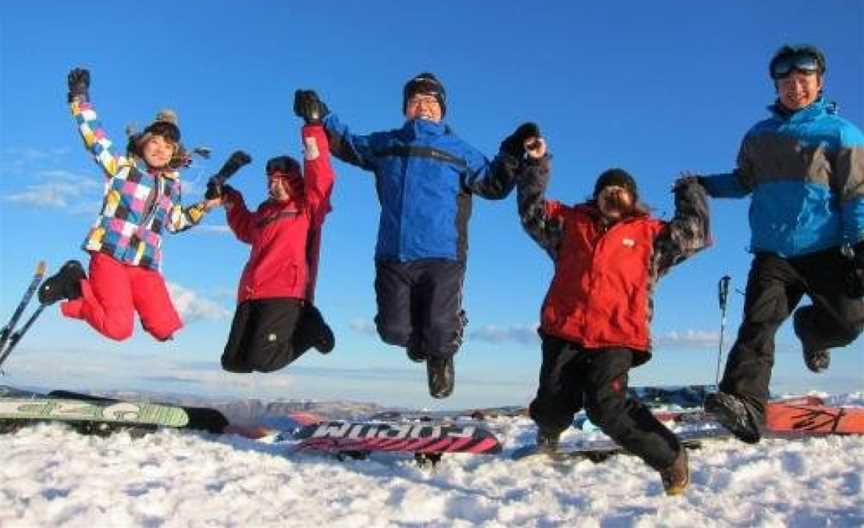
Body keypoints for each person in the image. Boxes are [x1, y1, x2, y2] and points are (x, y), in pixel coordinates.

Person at [294, 73, 535, 398]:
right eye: (416, 100)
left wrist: (513, 150)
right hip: (393, 254)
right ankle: (427, 341)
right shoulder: (388, 144)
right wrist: (320, 113)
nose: (423, 107)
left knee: (439, 331)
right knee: (393, 332)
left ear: (442, 110)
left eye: (431, 101)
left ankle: (442, 352)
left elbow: (493, 184)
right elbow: (348, 143)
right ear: (406, 108)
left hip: (443, 255)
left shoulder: (459, 150)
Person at [516, 134, 710, 495]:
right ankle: (549, 430)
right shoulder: (569, 222)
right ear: (596, 195)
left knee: (607, 407)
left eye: (622, 192)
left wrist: (689, 192)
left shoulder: (651, 235)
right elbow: (531, 212)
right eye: (607, 190)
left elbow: (695, 235)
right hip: (566, 329)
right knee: (553, 405)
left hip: (618, 335)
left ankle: (670, 457)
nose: (614, 196)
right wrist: (536, 166)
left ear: (633, 199)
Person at [697, 45, 864, 444]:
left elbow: (857, 193)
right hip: (774, 252)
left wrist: (859, 245)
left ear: (819, 82)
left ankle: (812, 332)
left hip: (827, 250)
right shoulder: (759, 135)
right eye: (786, 81)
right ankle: (745, 406)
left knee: (851, 321)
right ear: (776, 86)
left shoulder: (841, 133)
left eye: (803, 79)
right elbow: (743, 181)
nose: (795, 87)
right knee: (759, 325)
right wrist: (703, 185)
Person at [37, 68, 221, 341]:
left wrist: (205, 206)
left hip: (145, 265)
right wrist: (79, 98)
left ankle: (93, 298)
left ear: (174, 153)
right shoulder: (122, 167)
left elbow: (174, 222)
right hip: (111, 255)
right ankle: (76, 284)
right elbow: (95, 139)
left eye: (168, 146)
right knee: (119, 329)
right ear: (143, 143)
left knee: (165, 327)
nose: (160, 149)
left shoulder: (172, 185)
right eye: (155, 142)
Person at [218, 92, 336, 373]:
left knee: (264, 361)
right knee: (233, 362)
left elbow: (320, 175)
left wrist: (312, 127)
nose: (276, 186)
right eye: (272, 181)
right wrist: (231, 198)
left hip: (285, 290)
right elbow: (245, 229)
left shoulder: (307, 207)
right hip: (251, 290)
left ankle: (312, 326)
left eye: (283, 181)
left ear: (295, 182)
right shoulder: (263, 213)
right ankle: (304, 324)